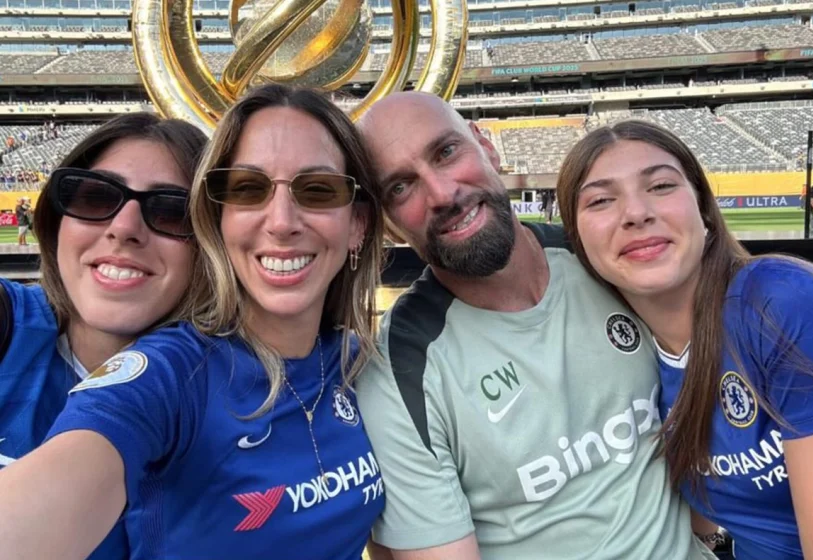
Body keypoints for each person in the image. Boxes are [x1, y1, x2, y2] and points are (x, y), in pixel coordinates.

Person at [0, 85, 385, 560]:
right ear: (218, 223)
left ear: (358, 224)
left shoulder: (369, 365)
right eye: (248, 188)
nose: (282, 220)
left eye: (318, 190)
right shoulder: (169, 373)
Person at [355, 92, 714, 559]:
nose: (442, 194)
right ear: (385, 223)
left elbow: (705, 396)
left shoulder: (605, 258)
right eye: (400, 187)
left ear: (486, 147)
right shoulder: (398, 374)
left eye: (446, 152)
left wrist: (708, 540)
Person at [556, 119, 813, 560]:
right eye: (601, 200)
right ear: (578, 243)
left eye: (660, 186)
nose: (636, 213)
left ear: (704, 210)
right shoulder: (624, 359)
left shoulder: (780, 301)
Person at [0, 112, 207, 559]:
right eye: (95, 198)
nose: (123, 228)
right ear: (56, 222)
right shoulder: (8, 325)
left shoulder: (249, 394)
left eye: (171, 211)